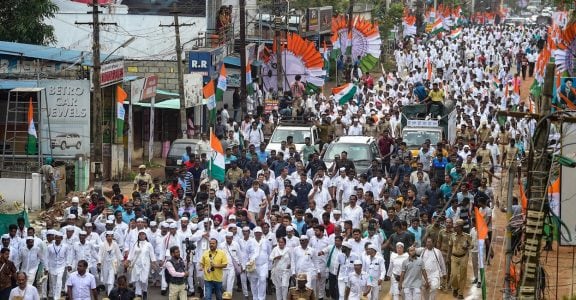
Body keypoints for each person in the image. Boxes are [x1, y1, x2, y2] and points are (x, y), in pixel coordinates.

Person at [126, 230, 157, 299]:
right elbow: (131, 254)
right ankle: (139, 295)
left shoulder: (149, 244)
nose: (142, 236)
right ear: (138, 236)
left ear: (145, 235)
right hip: (137, 265)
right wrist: (128, 261)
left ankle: (145, 291)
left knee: (144, 279)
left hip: (145, 265)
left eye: (143, 234)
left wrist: (154, 263)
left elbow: (152, 255)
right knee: (137, 279)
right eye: (140, 234)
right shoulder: (136, 244)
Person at [45, 232, 72, 300]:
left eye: (59, 238)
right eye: (56, 237)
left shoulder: (65, 246)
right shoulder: (50, 246)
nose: (57, 239)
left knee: (59, 282)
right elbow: (46, 258)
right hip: (52, 267)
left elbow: (67, 256)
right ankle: (54, 297)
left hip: (61, 267)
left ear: (62, 238)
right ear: (54, 238)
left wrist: (68, 264)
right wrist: (46, 268)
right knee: (53, 283)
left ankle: (57, 297)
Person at [448, 219, 471, 299]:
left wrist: (467, 246)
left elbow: (472, 245)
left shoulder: (467, 236)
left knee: (462, 276)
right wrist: (448, 257)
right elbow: (450, 246)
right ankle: (455, 287)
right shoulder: (452, 235)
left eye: (456, 226)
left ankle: (460, 293)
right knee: (453, 275)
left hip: (463, 257)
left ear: (460, 227)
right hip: (454, 257)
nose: (454, 227)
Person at [97, 231, 122, 295]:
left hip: (113, 263)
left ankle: (110, 294)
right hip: (105, 263)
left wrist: (122, 260)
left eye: (111, 236)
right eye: (108, 236)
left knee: (111, 279)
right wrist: (99, 262)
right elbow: (99, 254)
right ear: (106, 237)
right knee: (105, 280)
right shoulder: (102, 245)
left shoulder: (115, 244)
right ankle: (107, 289)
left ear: (113, 237)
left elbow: (118, 253)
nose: (110, 238)